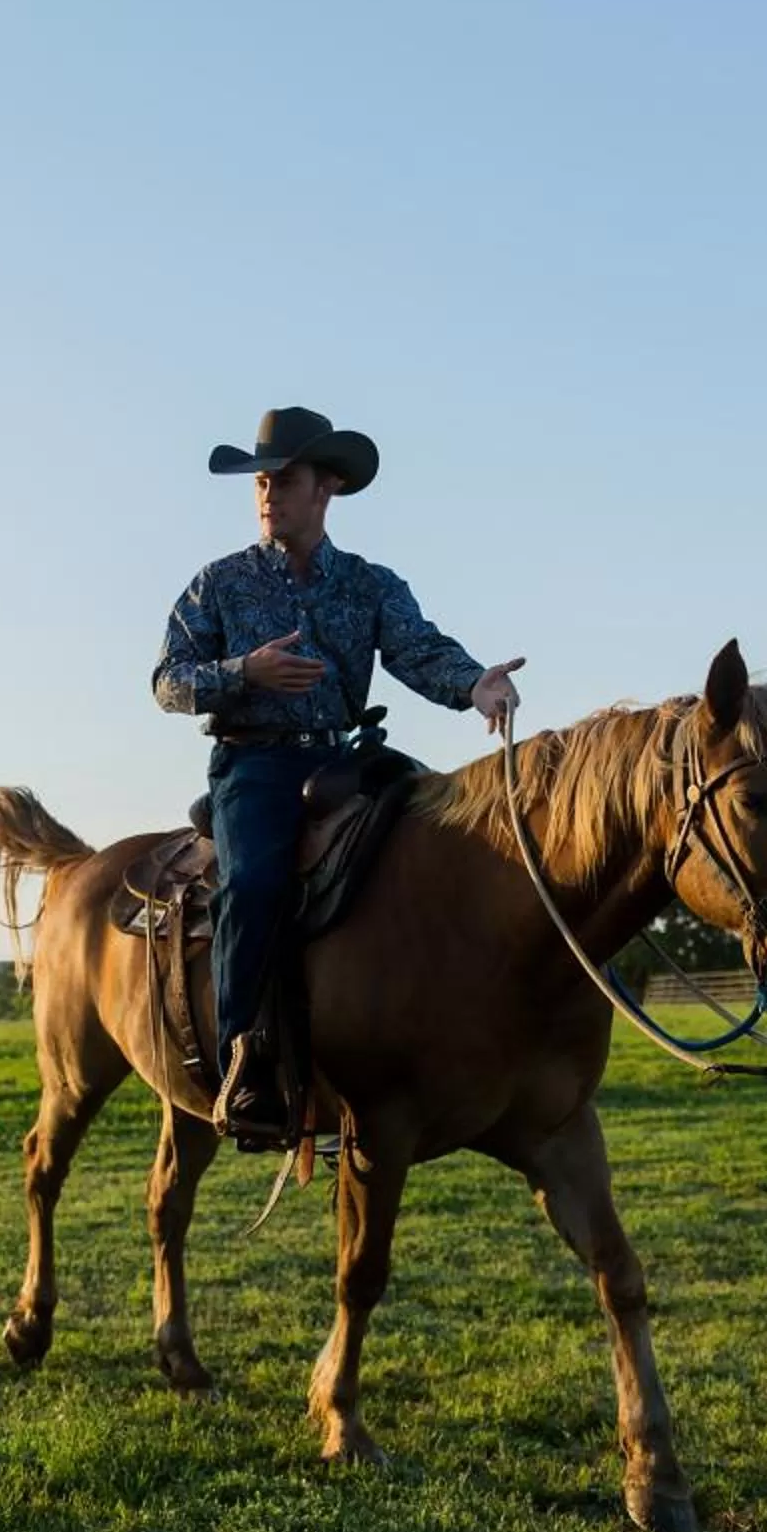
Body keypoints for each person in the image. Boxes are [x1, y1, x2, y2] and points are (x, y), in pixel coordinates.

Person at [151, 407, 526, 1149]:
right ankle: (244, 1062)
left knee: (447, 849)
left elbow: (419, 650)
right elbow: (168, 681)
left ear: (326, 488)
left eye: (283, 480)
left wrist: (474, 685)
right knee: (254, 885)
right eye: (261, 481)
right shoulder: (217, 585)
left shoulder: (368, 584)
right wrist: (242, 672)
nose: (267, 493)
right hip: (254, 763)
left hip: (345, 756)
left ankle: (442, 1036)